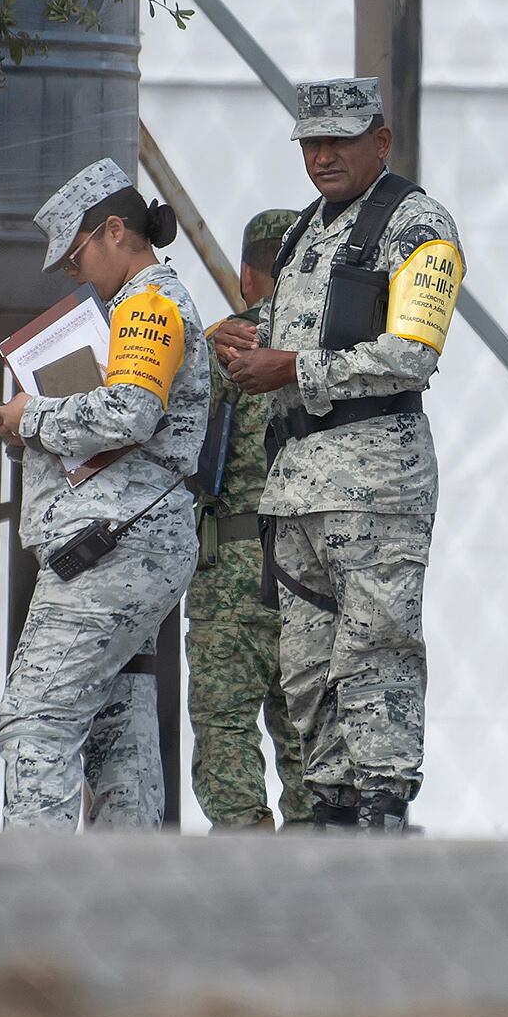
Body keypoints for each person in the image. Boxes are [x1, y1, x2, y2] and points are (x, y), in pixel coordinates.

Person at [214, 78, 464, 835]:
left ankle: (383, 812)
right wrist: (240, 340)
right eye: (310, 143)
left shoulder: (418, 225)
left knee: (375, 656)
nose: (322, 156)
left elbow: (411, 354)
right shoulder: (303, 232)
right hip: (297, 490)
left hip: (374, 486)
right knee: (310, 673)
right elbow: (291, 328)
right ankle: (329, 813)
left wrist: (292, 368)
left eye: (340, 140)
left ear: (380, 142)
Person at [0, 159, 207, 830]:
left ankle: (34, 895)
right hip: (125, 541)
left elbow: (132, 410)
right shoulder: (134, 307)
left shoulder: (148, 304)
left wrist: (34, 417)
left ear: (116, 231)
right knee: (119, 732)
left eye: (76, 255)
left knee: (36, 719)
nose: (73, 272)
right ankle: (124, 897)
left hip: (113, 546)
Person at [187, 207, 314, 831]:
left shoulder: (223, 344)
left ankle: (246, 847)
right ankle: (317, 852)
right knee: (308, 728)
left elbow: (177, 446)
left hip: (233, 564)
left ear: (246, 273)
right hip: (314, 567)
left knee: (225, 725)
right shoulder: (325, 350)